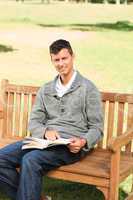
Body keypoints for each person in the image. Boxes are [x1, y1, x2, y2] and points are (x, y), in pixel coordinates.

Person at [0, 39, 103, 200]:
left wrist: (83, 141)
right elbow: (34, 121)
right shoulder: (46, 89)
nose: (61, 63)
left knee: (30, 160)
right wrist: (45, 131)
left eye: (64, 58)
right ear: (52, 61)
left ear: (72, 57)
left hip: (70, 146)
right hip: (42, 141)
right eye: (56, 60)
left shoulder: (88, 89)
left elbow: (97, 127)